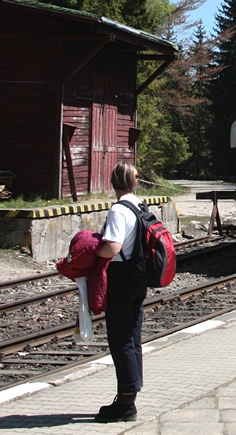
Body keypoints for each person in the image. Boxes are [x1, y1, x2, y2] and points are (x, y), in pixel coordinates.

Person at [94, 160, 146, 423]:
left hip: (121, 279)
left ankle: (125, 403)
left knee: (121, 339)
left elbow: (112, 248)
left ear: (113, 182)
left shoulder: (118, 209)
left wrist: (94, 254)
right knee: (133, 337)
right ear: (134, 182)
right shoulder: (140, 205)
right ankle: (130, 394)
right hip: (138, 278)